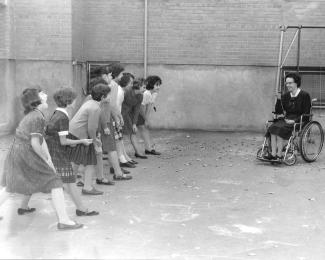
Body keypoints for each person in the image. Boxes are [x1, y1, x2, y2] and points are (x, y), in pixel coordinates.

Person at [0, 88, 83, 230]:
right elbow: (35, 143)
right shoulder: (37, 117)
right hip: (26, 153)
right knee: (55, 182)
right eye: (42, 93)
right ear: (36, 100)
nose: (46, 95)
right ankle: (64, 221)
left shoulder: (36, 114)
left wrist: (49, 158)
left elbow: (41, 139)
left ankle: (63, 220)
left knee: (11, 185)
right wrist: (46, 159)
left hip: (19, 152)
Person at [45, 88, 99, 216]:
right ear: (68, 101)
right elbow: (63, 141)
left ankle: (81, 208)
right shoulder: (63, 117)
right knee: (69, 182)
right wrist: (81, 141)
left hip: (54, 151)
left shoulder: (57, 113)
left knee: (69, 182)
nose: (76, 101)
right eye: (74, 99)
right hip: (58, 153)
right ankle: (81, 209)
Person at [67, 83, 110, 195]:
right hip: (80, 135)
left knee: (76, 160)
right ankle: (87, 188)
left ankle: (67, 183)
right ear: (102, 97)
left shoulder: (90, 102)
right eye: (108, 95)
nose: (109, 97)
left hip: (74, 132)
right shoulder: (95, 107)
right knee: (90, 162)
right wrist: (95, 141)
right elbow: (92, 128)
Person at [90, 70, 132, 181]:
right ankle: (118, 173)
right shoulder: (104, 93)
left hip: (104, 122)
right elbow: (108, 107)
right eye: (109, 75)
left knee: (102, 150)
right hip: (105, 123)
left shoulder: (99, 93)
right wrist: (109, 124)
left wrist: (116, 117)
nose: (111, 77)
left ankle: (112, 171)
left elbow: (111, 106)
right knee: (110, 148)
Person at [264, 73, 311, 160]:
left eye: (290, 83)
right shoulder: (286, 96)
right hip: (286, 119)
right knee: (273, 128)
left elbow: (306, 114)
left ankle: (279, 155)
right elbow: (279, 111)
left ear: (296, 83)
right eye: (286, 83)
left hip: (299, 120)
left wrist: (294, 121)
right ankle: (273, 154)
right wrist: (278, 99)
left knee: (280, 130)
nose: (288, 85)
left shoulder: (305, 95)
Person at [108, 64, 136, 168]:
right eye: (120, 74)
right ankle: (120, 161)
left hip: (115, 116)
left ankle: (123, 158)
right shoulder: (116, 88)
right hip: (113, 117)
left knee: (119, 139)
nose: (121, 76)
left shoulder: (118, 89)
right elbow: (113, 105)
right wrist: (117, 118)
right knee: (117, 140)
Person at [137, 75, 162, 156]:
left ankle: (149, 148)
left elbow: (149, 107)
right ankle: (147, 149)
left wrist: (147, 119)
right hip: (137, 112)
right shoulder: (146, 93)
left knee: (145, 129)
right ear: (151, 84)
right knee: (143, 129)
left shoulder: (154, 94)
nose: (159, 87)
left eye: (159, 85)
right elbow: (141, 107)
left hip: (142, 113)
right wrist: (145, 119)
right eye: (157, 85)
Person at [122, 77, 147, 157]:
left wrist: (134, 124)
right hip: (119, 114)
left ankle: (137, 152)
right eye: (144, 87)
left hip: (128, 115)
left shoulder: (140, 96)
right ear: (138, 86)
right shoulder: (127, 92)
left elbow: (137, 110)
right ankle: (120, 154)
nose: (145, 89)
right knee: (119, 135)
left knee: (133, 132)